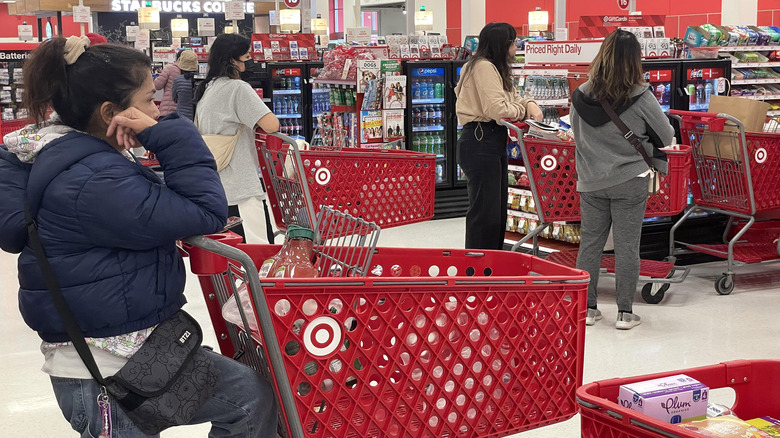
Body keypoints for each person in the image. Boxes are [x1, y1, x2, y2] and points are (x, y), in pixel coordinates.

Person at [0, 36, 277, 437]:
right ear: (111, 112)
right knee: (249, 399)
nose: (155, 110)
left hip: (110, 352)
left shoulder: (72, 156)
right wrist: (171, 136)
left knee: (248, 395)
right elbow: (206, 210)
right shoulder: (93, 179)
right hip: (108, 367)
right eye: (149, 100)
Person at [570, 29, 674, 330]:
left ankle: (587, 310)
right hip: (630, 180)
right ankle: (625, 313)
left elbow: (577, 137)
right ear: (635, 60)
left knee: (590, 244)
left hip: (591, 180)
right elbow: (666, 135)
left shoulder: (580, 94)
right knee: (627, 246)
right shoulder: (640, 95)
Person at [455, 22, 543, 250]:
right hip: (480, 139)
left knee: (494, 212)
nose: (516, 46)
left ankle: (491, 266)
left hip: (488, 140)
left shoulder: (491, 67)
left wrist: (528, 102)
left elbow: (513, 98)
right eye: (514, 42)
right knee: (485, 213)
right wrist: (524, 110)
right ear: (501, 44)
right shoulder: (483, 68)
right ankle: (478, 271)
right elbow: (498, 109)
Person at [195, 33, 280, 243]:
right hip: (240, 182)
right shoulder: (238, 88)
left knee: (230, 253)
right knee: (256, 250)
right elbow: (272, 124)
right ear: (233, 59)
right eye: (247, 54)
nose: (250, 59)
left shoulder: (208, 87)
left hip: (215, 182)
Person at [154, 49, 186, 117]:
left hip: (167, 110)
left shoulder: (169, 69)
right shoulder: (190, 73)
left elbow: (157, 85)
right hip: (184, 112)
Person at [172, 49, 199, 120]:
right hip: (198, 117)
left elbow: (175, 99)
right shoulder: (202, 81)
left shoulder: (178, 80)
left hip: (182, 117)